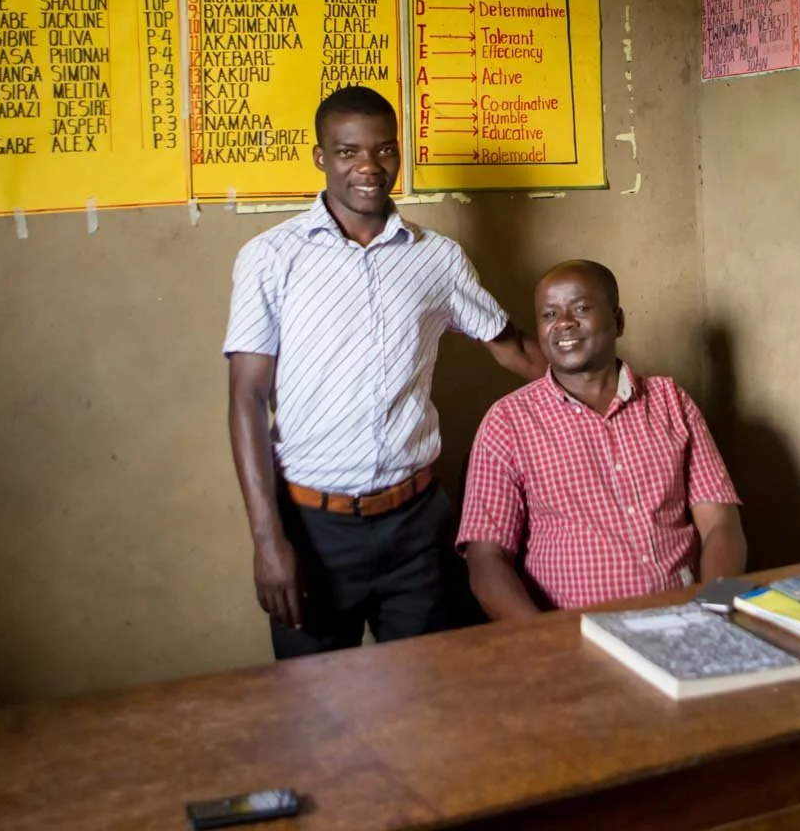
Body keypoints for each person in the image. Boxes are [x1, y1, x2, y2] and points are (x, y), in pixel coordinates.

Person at [224, 86, 549, 658]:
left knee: (428, 702)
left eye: (384, 150)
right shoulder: (271, 258)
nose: (369, 168)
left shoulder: (437, 258)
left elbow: (513, 349)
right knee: (317, 718)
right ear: (321, 157)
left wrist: (606, 390)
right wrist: (268, 540)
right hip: (312, 530)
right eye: (348, 152)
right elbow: (247, 400)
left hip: (418, 528)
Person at [457, 260, 746, 618]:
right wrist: (544, 642)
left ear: (618, 321)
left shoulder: (671, 400)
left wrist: (715, 610)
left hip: (685, 618)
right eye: (549, 314)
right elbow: (486, 560)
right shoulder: (508, 422)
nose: (563, 322)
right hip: (574, 635)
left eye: (580, 308)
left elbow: (721, 524)